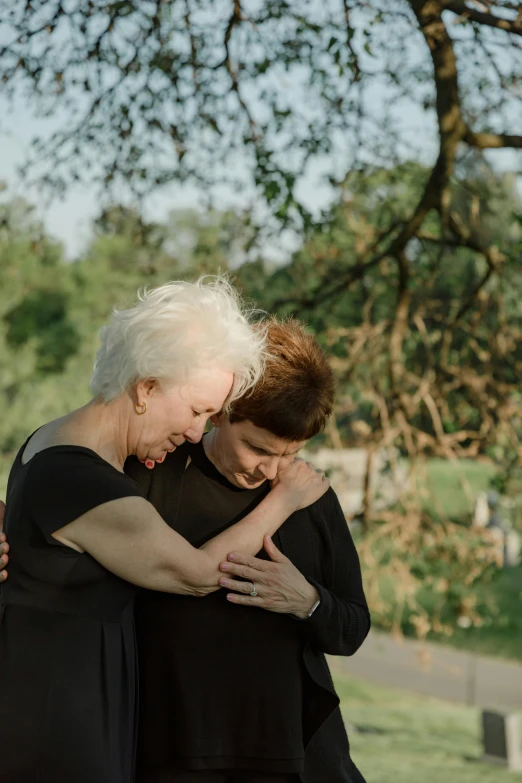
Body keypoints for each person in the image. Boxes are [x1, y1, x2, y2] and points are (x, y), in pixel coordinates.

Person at [0, 281, 328, 783]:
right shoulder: (77, 475)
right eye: (197, 410)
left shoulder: (71, 447)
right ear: (146, 387)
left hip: (78, 696)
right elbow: (196, 573)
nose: (198, 432)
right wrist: (283, 499)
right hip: (56, 714)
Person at [127, 318, 369, 783]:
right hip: (174, 751)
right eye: (258, 448)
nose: (271, 470)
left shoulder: (310, 495)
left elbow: (353, 629)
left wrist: (309, 602)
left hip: (290, 754)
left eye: (291, 453)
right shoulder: (154, 470)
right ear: (222, 410)